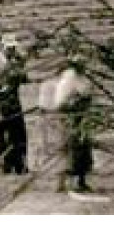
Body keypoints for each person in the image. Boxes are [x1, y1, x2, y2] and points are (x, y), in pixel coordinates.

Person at [45, 62, 96, 194]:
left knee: (83, 150)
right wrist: (74, 102)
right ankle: (62, 183)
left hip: (82, 118)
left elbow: (88, 97)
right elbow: (60, 104)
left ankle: (81, 181)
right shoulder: (67, 81)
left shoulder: (84, 80)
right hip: (69, 120)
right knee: (68, 151)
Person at [0, 36, 29, 175]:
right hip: (3, 99)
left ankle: (20, 164)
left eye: (13, 47)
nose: (12, 50)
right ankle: (7, 164)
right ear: (3, 47)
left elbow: (23, 78)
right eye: (9, 48)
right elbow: (3, 81)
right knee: (5, 134)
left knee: (19, 132)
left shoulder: (15, 60)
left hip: (14, 98)